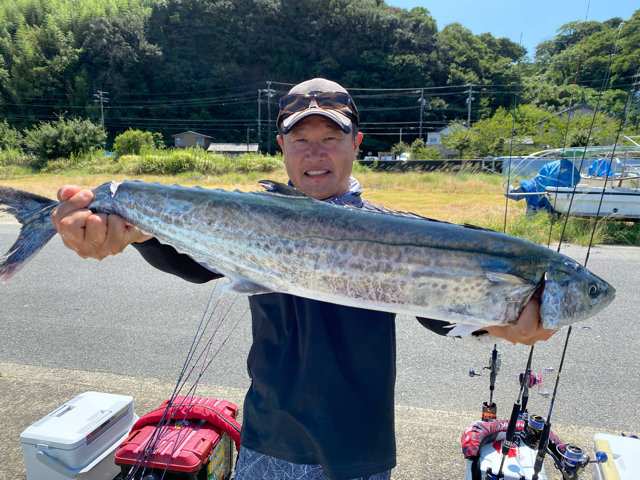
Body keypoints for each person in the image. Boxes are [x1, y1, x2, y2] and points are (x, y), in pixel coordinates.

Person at [52, 78, 554, 480]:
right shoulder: (252, 219)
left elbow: (435, 305)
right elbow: (191, 261)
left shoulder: (397, 231)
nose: (316, 154)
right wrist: (136, 236)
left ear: (356, 143)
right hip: (271, 430)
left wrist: (497, 322)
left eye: (331, 139)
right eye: (301, 139)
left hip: (359, 443)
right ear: (282, 146)